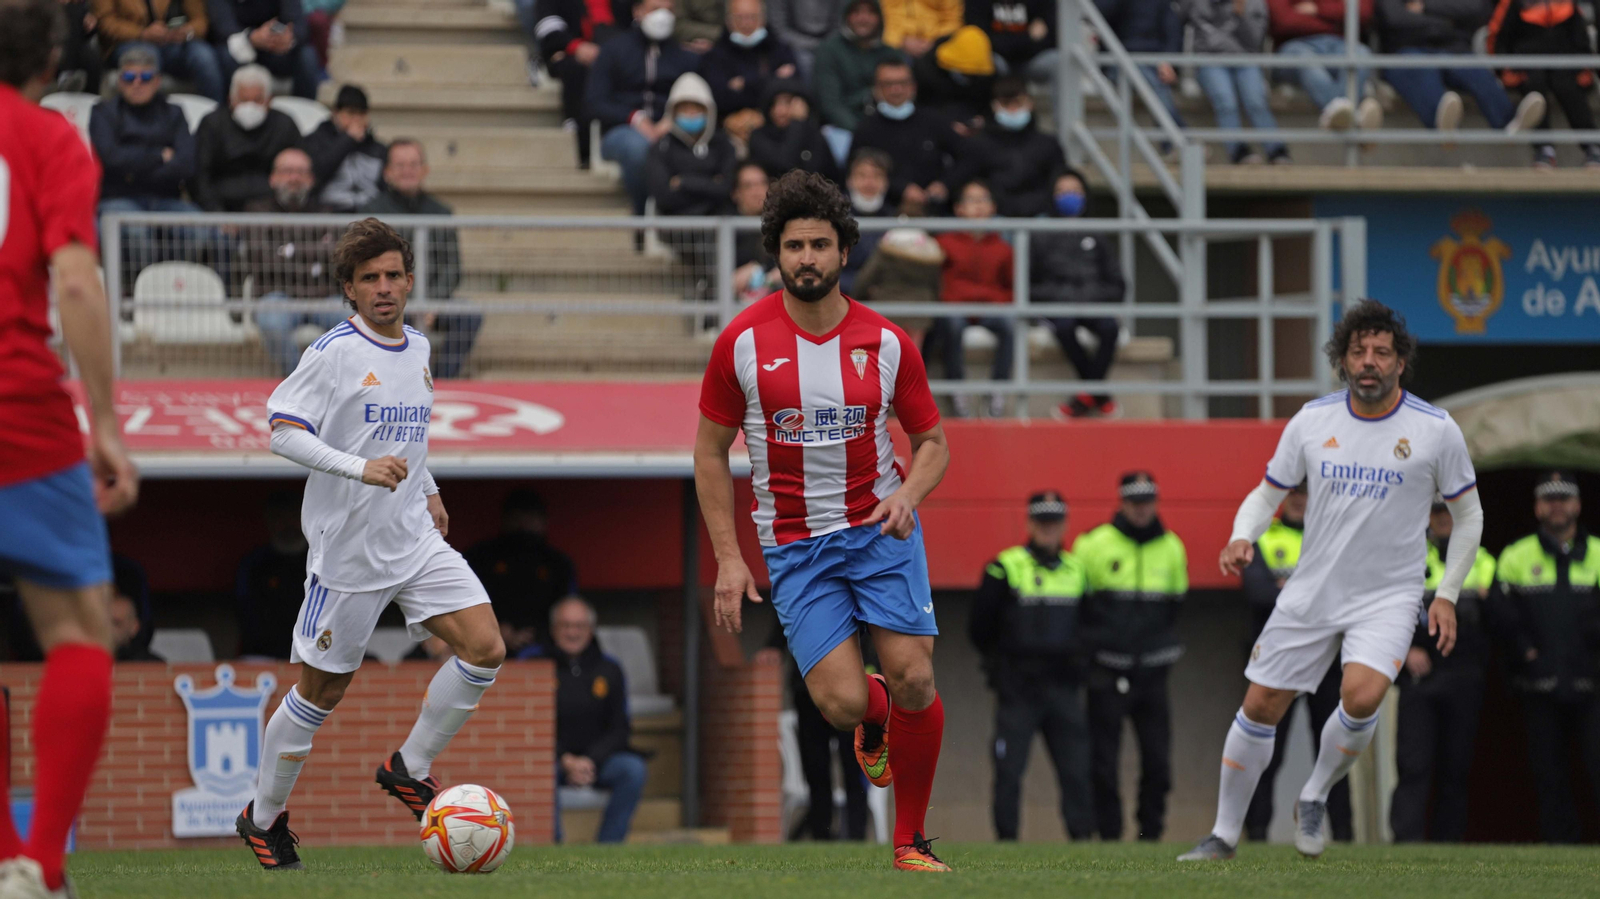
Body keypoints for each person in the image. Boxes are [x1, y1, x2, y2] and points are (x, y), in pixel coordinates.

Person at [695, 171, 952, 873]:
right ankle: (874, 718)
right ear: (775, 252)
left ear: (844, 251)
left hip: (880, 529)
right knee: (841, 703)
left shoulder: (888, 341)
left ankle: (910, 840)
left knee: (915, 678)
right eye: (794, 245)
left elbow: (933, 444)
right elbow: (709, 454)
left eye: (820, 244)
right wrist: (728, 556)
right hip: (796, 545)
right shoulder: (741, 342)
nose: (806, 257)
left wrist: (909, 497)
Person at [239, 218, 508, 870]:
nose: (384, 288)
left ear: (410, 281)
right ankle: (261, 816)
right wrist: (358, 470)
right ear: (349, 290)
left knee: (485, 646)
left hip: (412, 533)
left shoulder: (418, 345)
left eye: (393, 275)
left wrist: (430, 485)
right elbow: (280, 430)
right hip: (348, 554)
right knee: (319, 694)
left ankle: (408, 766)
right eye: (369, 279)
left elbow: (407, 436)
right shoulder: (333, 352)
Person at [1181, 299, 1483, 862]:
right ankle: (1222, 836)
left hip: (1389, 594)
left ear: (1400, 362)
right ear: (1342, 359)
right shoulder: (1313, 420)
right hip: (1313, 588)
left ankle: (1315, 794)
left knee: (1362, 695)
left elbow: (1469, 515)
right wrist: (1242, 533)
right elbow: (1268, 492)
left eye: (1381, 352)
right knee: (1261, 703)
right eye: (1358, 351)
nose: (1369, 361)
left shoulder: (1435, 429)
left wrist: (1445, 595)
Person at [0, 3, 140, 894]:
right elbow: (79, 282)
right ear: (53, 56)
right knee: (80, 629)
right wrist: (106, 419)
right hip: (16, 405)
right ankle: (38, 864)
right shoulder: (47, 140)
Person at [969, 491, 1094, 841]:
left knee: (1076, 770)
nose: (1048, 529)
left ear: (1064, 525)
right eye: (1041, 521)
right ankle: (1007, 843)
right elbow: (979, 628)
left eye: (1054, 522)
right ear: (1028, 523)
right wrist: (1002, 669)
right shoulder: (1004, 567)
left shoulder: (1078, 570)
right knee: (1009, 770)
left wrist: (1078, 666)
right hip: (1018, 690)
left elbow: (1090, 625)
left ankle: (1083, 842)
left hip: (1063, 688)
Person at [1075, 472, 1188, 842]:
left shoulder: (1172, 546)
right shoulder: (1093, 544)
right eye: (1134, 501)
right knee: (1103, 762)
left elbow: (1176, 606)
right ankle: (1109, 835)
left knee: (1158, 762)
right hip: (1106, 670)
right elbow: (1080, 608)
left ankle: (1150, 834)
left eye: (1147, 501)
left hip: (1153, 673)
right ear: (1122, 501)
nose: (1141, 509)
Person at [1238, 481, 1353, 843]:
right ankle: (1256, 834)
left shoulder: (1333, 538)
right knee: (1266, 752)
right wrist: (1312, 595)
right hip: (1280, 661)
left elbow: (1347, 595)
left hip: (1327, 660)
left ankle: (1345, 836)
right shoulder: (1266, 539)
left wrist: (1288, 590)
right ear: (1285, 498)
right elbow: (1257, 594)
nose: (1301, 501)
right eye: (1295, 494)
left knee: (1334, 754)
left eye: (1307, 494)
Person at [1491, 471, 1600, 844]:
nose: (1557, 506)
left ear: (1578, 505)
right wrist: (1526, 653)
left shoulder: (1599, 552)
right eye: (1549, 499)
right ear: (1538, 506)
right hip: (1538, 685)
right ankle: (1559, 850)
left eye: (1564, 498)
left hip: (1592, 684)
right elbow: (1500, 618)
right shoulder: (1515, 556)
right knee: (1547, 775)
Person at [1389, 493, 1495, 842]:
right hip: (1421, 675)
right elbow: (1384, 614)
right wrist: (1404, 651)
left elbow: (1498, 620)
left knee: (1456, 768)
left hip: (1464, 672)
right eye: (1436, 511)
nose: (1443, 517)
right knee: (1413, 765)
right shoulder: (1407, 557)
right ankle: (1405, 846)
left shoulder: (1481, 560)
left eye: (1449, 510)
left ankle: (1450, 847)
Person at [522, 597, 649, 843]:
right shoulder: (533, 663)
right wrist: (565, 760)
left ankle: (606, 851)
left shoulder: (610, 668)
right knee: (540, 772)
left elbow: (620, 728)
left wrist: (590, 760)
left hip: (598, 760)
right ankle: (552, 849)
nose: (572, 632)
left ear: (590, 630)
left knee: (632, 770)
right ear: (553, 629)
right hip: (551, 760)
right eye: (566, 625)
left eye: (579, 626)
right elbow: (529, 725)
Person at [360, 140, 477, 379]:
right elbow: (368, 267)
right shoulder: (372, 213)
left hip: (434, 302)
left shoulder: (441, 212)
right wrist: (406, 302)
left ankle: (441, 383)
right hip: (386, 299)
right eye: (400, 165)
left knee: (470, 315)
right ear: (387, 172)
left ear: (425, 169)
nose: (407, 171)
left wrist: (432, 302)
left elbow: (452, 267)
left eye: (413, 164)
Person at [91, 43, 201, 276]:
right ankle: (134, 299)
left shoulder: (174, 113)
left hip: (165, 199)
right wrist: (159, 155)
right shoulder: (103, 112)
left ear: (158, 80)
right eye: (130, 77)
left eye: (146, 76)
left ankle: (177, 289)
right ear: (120, 81)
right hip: (118, 199)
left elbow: (186, 164)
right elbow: (110, 159)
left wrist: (132, 167)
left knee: (199, 228)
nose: (137, 83)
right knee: (137, 234)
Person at [586, 0, 700, 215]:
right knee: (640, 150)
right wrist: (634, 118)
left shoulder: (685, 56)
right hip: (622, 131)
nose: (663, 16)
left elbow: (696, 97)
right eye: (655, 9)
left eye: (669, 10)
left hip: (675, 129)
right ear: (637, 11)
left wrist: (673, 118)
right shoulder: (613, 50)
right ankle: (642, 217)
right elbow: (594, 103)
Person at [1029, 170, 1124, 420]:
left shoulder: (1099, 235)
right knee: (1064, 326)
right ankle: (1099, 394)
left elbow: (1118, 284)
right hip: (1059, 308)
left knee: (1109, 328)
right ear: (1052, 197)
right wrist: (1063, 297)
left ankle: (1084, 397)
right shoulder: (1040, 236)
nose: (1069, 197)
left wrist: (1091, 296)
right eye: (1062, 192)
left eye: (1075, 191)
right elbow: (1029, 286)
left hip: (1094, 305)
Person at [244, 148, 343, 376]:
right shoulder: (257, 211)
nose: (294, 178)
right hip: (277, 295)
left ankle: (341, 387)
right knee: (272, 324)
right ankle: (302, 382)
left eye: (300, 172)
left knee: (356, 324)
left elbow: (336, 258)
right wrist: (315, 256)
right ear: (273, 178)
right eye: (287, 171)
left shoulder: (327, 212)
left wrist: (287, 251)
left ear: (311, 179)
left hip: (323, 296)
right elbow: (262, 261)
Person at [1376, 0, 1544, 133]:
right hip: (1406, 49)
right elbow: (1394, 17)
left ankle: (1509, 122)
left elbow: (1476, 8)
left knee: (1474, 70)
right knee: (1420, 70)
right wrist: (1445, 21)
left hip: (1451, 47)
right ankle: (1443, 125)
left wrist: (1427, 6)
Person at [926, 180, 1013, 419]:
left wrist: (991, 299)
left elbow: (1010, 288)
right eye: (971, 200)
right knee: (951, 325)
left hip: (990, 308)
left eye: (983, 200)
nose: (978, 207)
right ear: (959, 209)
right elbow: (937, 285)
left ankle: (998, 389)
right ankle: (957, 389)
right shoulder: (944, 242)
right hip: (955, 307)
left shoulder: (1004, 247)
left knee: (1009, 325)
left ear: (993, 208)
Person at [464, 490, 579, 659]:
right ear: (506, 519)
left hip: (547, 647)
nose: (524, 524)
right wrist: (494, 629)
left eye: (531, 517)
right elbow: (463, 603)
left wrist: (540, 634)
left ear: (543, 521)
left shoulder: (558, 564)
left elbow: (569, 609)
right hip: (486, 644)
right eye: (518, 517)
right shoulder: (481, 558)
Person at [1486, 0, 1600, 168]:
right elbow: (1497, 36)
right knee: (1535, 89)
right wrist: (1503, 70)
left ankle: (1592, 147)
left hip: (1564, 64)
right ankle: (1544, 150)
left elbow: (1580, 36)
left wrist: (1584, 68)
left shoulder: (1567, 3)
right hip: (1527, 65)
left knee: (1568, 88)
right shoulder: (1512, 3)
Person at [1179, 0, 1289, 164]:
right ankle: (1239, 152)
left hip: (1246, 59)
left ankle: (1276, 151)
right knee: (1225, 101)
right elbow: (1177, 18)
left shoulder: (1254, 3)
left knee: (1256, 101)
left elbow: (1255, 39)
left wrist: (1241, 15)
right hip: (1209, 60)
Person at [522, 0, 628, 165]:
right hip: (573, 56)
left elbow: (635, 26)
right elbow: (548, 30)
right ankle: (581, 141)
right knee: (575, 70)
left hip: (619, 55)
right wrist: (575, 47)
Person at [851, 59, 962, 215]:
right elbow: (855, 172)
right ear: (876, 89)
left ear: (913, 86)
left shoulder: (934, 121)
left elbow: (969, 157)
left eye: (902, 83)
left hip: (935, 212)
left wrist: (945, 184)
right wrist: (901, 189)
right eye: (888, 84)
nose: (896, 89)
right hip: (884, 215)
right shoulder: (866, 129)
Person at [950, 75, 1065, 218]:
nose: (1013, 109)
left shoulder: (1048, 144)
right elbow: (969, 182)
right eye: (1006, 103)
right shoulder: (978, 145)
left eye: (1018, 102)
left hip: (1040, 216)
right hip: (994, 217)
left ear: (1030, 103)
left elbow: (1059, 183)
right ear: (994, 106)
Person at [193, 63, 302, 212]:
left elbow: (299, 171)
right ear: (231, 100)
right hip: (220, 210)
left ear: (269, 100)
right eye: (243, 100)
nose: (250, 106)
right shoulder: (212, 124)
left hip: (273, 213)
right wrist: (217, 215)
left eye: (258, 100)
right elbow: (200, 177)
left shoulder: (285, 125)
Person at [1266, 0, 1384, 132]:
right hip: (1294, 47)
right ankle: (1356, 122)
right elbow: (1284, 21)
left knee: (1362, 54)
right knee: (1305, 60)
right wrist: (1335, 21)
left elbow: (1363, 13)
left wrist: (1319, 9)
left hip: (1339, 44)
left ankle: (1340, 116)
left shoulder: (1318, 10)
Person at [813, 0, 904, 167]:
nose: (863, 18)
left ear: (880, 18)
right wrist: (862, 133)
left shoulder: (892, 54)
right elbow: (830, 105)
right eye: (857, 12)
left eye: (870, 13)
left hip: (888, 128)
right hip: (842, 130)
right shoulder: (829, 50)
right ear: (847, 16)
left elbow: (905, 97)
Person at [699, 0, 800, 144]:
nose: (746, 24)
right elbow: (720, 98)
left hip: (777, 127)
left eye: (752, 17)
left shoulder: (780, 49)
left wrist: (744, 84)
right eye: (739, 18)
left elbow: (795, 88)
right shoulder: (714, 56)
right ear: (728, 21)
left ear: (763, 19)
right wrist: (772, 79)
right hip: (730, 131)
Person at [93, 0, 225, 101]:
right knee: (148, 57)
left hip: (172, 42)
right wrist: (142, 33)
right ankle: (148, 125)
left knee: (203, 56)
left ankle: (215, 122)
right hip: (127, 42)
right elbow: (105, 22)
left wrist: (187, 31)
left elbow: (200, 20)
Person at [235, 490, 311, 659]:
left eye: (293, 517)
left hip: (313, 652)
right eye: (280, 518)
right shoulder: (254, 564)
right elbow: (246, 612)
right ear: (269, 521)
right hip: (263, 655)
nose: (288, 524)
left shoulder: (319, 561)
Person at [1098, 0, 1186, 128]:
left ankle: (1175, 142)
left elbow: (1172, 32)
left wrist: (1168, 63)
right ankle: (1182, 138)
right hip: (1118, 62)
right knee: (1154, 83)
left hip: (1152, 63)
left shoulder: (1161, 3)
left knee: (1153, 80)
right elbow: (1098, 12)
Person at [208, 0, 321, 99]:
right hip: (239, 46)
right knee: (224, 54)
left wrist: (288, 36)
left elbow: (300, 25)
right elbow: (221, 27)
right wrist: (252, 36)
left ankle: (304, 113)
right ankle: (225, 112)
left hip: (275, 48)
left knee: (307, 55)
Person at [303, 84, 386, 213]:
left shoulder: (378, 148)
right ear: (335, 113)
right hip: (329, 215)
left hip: (370, 216)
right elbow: (317, 174)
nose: (357, 120)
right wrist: (347, 140)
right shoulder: (315, 141)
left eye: (361, 113)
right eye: (351, 113)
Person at [748, 78, 843, 184]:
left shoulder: (814, 136)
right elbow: (785, 166)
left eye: (787, 102)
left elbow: (831, 178)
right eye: (774, 104)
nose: (780, 111)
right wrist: (797, 123)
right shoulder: (759, 137)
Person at [912, 25, 998, 126]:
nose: (969, 75)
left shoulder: (990, 76)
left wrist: (984, 121)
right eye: (965, 71)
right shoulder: (926, 72)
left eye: (974, 72)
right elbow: (924, 108)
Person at [840, 149, 895, 296]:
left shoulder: (896, 219)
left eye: (877, 176)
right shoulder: (834, 216)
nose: (869, 183)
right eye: (862, 175)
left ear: (886, 182)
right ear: (849, 181)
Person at [731, 163, 778, 302]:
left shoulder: (780, 226)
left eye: (762, 184)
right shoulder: (727, 230)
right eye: (748, 186)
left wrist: (761, 273)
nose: (757, 191)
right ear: (735, 193)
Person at [769, 0, 851, 75]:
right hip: (792, 44)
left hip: (830, 41)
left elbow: (840, 23)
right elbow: (779, 28)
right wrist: (814, 45)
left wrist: (826, 45)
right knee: (805, 62)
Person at [109, 555, 160, 662]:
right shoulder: (78, 664)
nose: (107, 630)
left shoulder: (153, 668)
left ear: (135, 626)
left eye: (116, 623)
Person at [880, 0, 963, 56]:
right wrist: (900, 40)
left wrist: (933, 41)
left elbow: (953, 19)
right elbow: (880, 16)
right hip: (894, 45)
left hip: (937, 44)